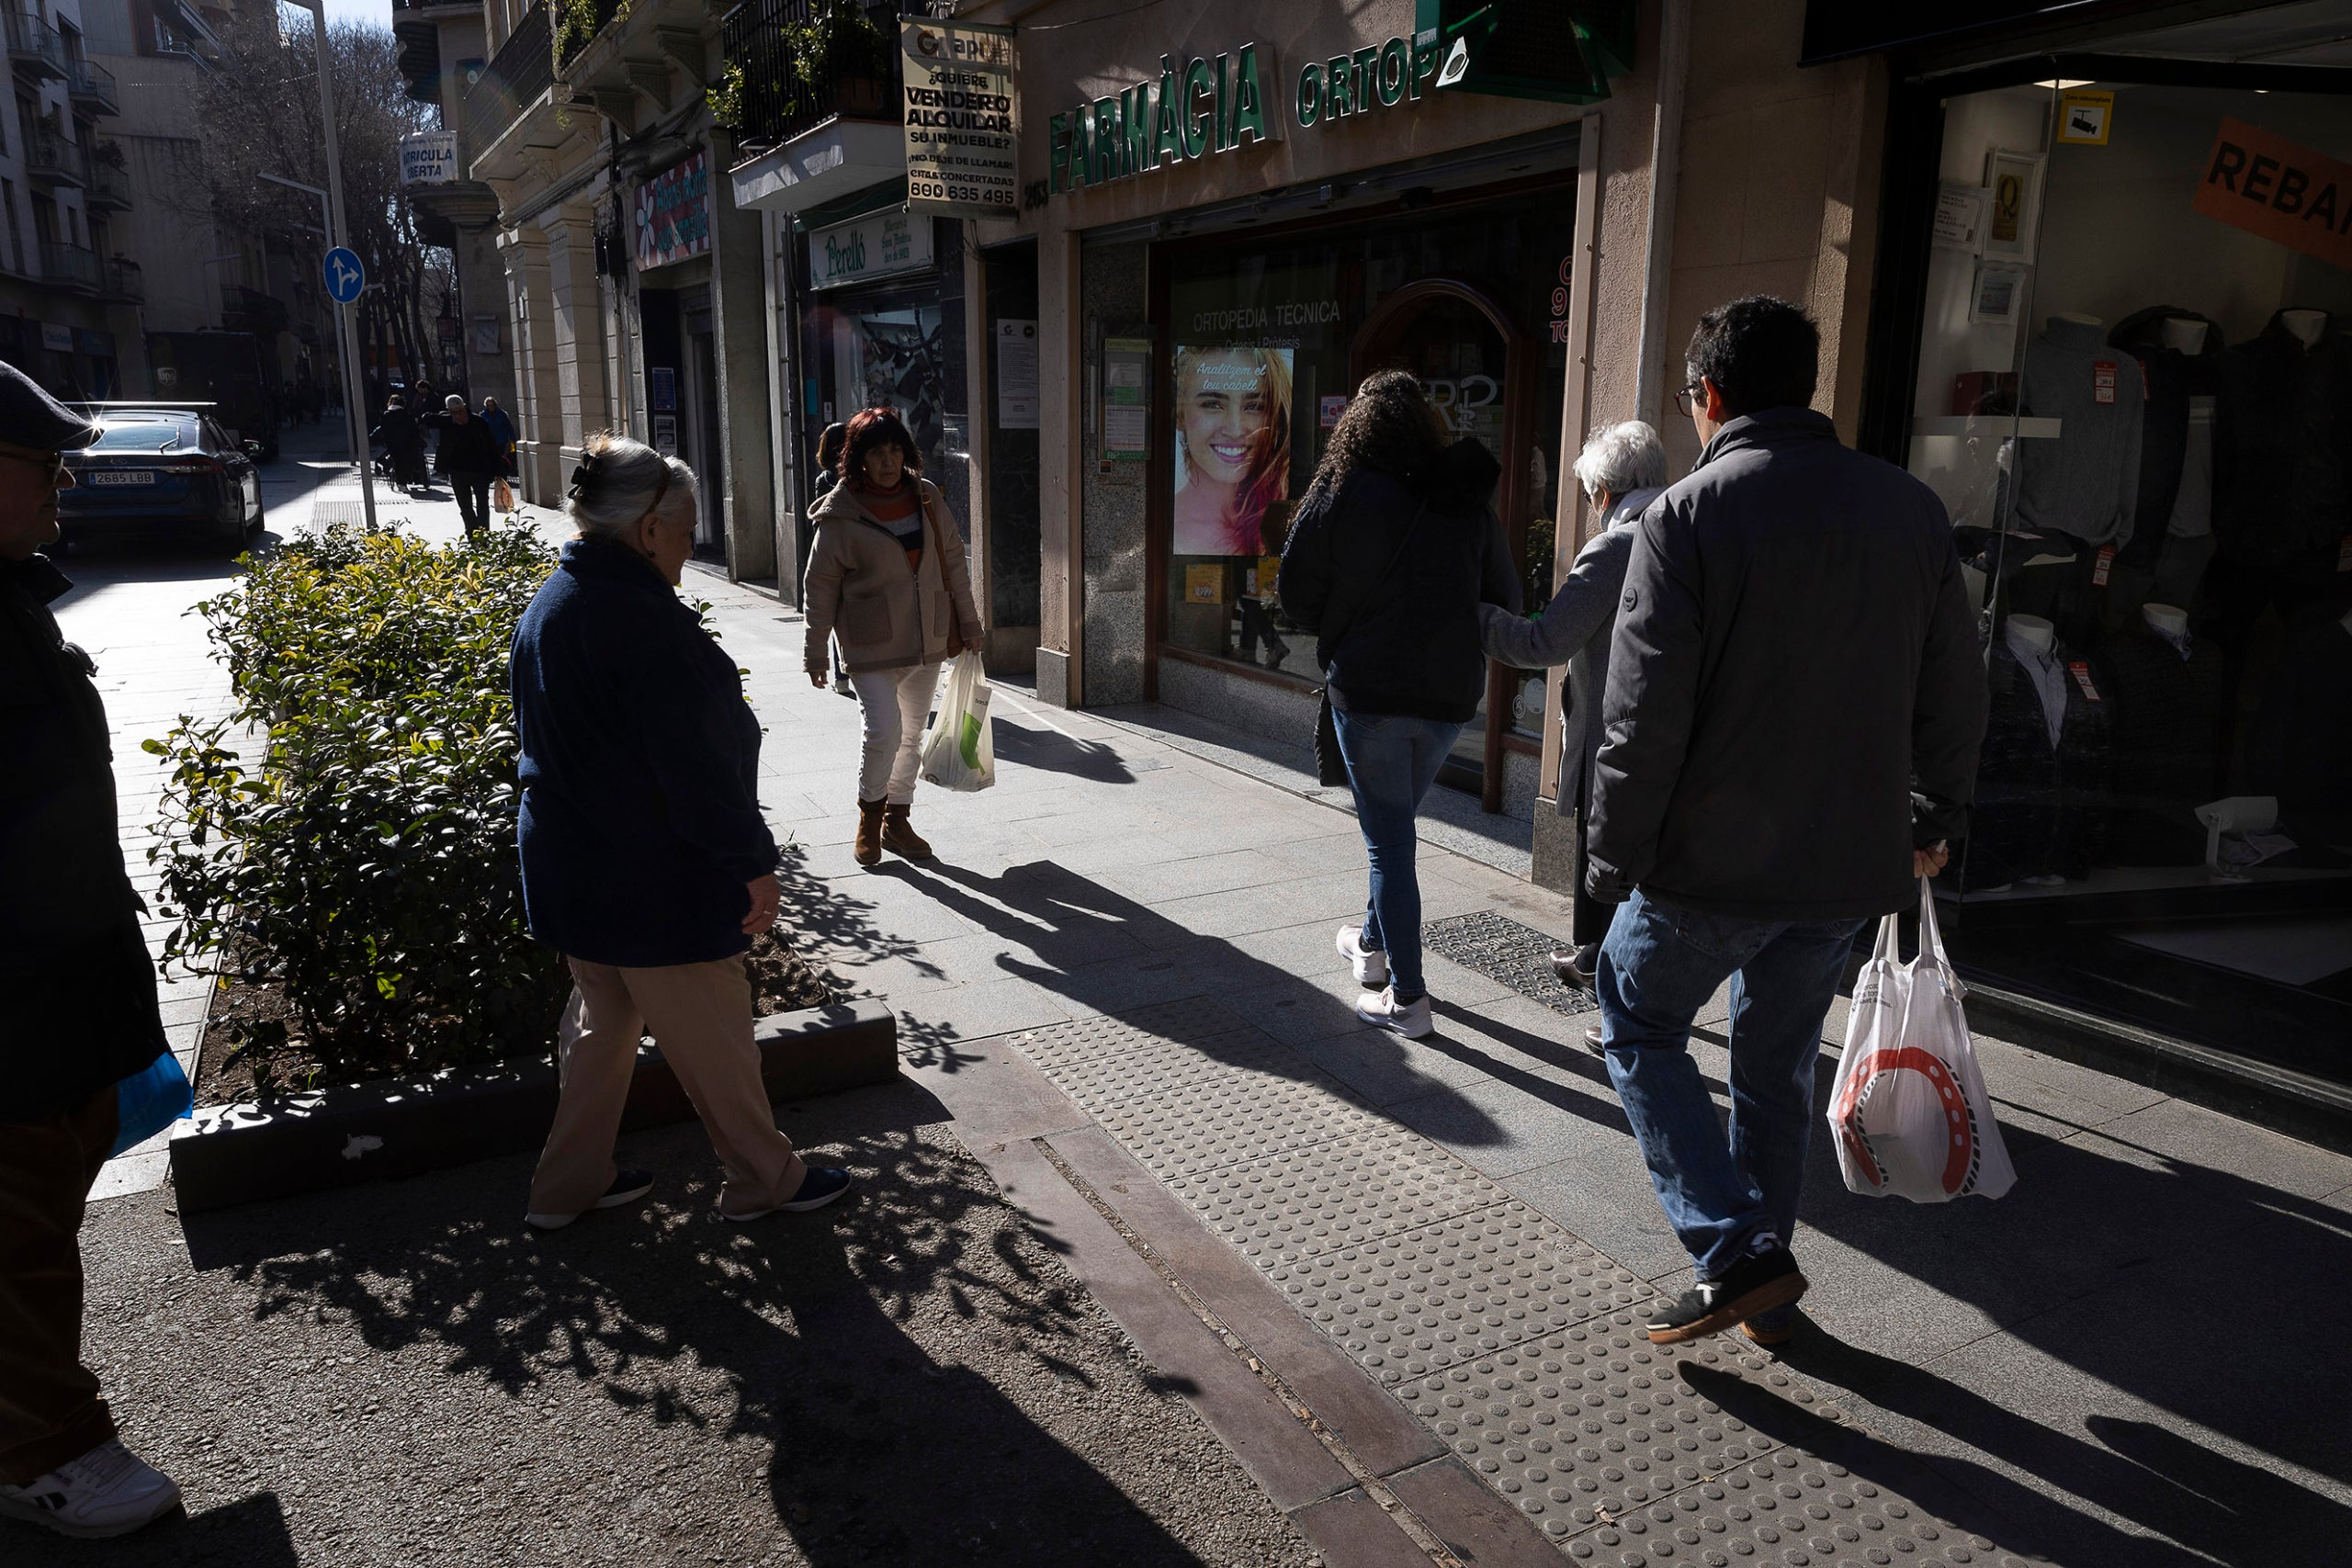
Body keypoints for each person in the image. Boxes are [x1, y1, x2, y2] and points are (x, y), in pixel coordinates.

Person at [1587, 297, 1986, 1348]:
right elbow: (1955, 689)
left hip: (1709, 865)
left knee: (1633, 1016)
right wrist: (1932, 814)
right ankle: (1759, 1280)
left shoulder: (1683, 517)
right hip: (1850, 860)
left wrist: (1607, 859)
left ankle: (1734, 1250)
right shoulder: (1908, 508)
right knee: (1773, 1063)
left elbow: (1639, 718)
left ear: (1708, 396)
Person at [510, 432, 853, 1230]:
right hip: (651, 877)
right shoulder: (643, 623)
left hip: (576, 866)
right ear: (649, 529)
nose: (693, 540)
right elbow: (696, 771)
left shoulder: (555, 601)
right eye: (688, 524)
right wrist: (750, 864)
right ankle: (764, 1178)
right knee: (716, 1035)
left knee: (599, 1029)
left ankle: (566, 1186)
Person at [0, 364, 184, 1539]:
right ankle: (44, 1455)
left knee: (34, 1225)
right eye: (41, 462)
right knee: (12, 1241)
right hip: (12, 1013)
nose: (64, 481)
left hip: (50, 996)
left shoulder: (13, 600)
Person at [1278, 370, 1519, 1039]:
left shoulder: (1342, 487)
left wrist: (1348, 627)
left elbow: (1293, 588)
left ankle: (1408, 1001)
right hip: (1448, 698)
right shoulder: (1464, 494)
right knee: (1393, 832)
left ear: (1358, 425)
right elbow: (1504, 592)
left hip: (1371, 693)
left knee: (1390, 845)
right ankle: (1372, 948)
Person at [1480, 421, 1668, 1031]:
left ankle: (1614, 994)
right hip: (1666, 735)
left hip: (1611, 731)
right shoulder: (1681, 533)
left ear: (1605, 494)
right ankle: (1595, 958)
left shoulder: (1616, 548)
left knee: (1605, 850)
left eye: (1589, 496)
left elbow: (1547, 640)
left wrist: (1480, 619)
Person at [802, 407, 983, 867]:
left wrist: (969, 621)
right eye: (877, 452)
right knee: (883, 729)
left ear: (906, 452)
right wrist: (815, 650)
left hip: (928, 635)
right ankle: (869, 815)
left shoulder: (925, 497)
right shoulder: (842, 512)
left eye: (894, 449)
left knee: (911, 735)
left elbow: (954, 561)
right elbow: (819, 585)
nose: (887, 461)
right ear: (858, 458)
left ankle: (897, 819)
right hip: (870, 640)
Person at [1172, 345, 1292, 557]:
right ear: (1180, 414)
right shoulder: (1162, 525)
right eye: (1212, 404)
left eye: (1254, 406)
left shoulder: (1289, 514)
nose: (1236, 430)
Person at [423, 394, 502, 534]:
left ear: (465, 407)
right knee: (465, 506)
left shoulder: (478, 422)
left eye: (460, 411)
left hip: (480, 471)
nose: (459, 415)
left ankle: (484, 535)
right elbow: (426, 418)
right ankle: (472, 533)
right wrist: (451, 419)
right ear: (449, 411)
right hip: (457, 471)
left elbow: (491, 447)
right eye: (454, 412)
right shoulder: (447, 422)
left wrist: (497, 471)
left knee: (482, 504)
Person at [369, 394, 425, 491]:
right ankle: (405, 480)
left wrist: (373, 438)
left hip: (392, 443)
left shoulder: (386, 415)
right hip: (408, 443)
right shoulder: (407, 415)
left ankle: (400, 481)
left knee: (398, 461)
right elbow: (414, 430)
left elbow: (382, 429)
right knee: (408, 460)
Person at [480, 396, 517, 479]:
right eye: (488, 405)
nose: (491, 407)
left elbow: (508, 426)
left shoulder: (502, 414)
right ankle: (493, 474)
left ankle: (501, 474)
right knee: (491, 457)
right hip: (489, 440)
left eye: (492, 405)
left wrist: (512, 438)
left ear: (495, 405)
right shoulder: (483, 415)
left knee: (500, 457)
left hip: (501, 439)